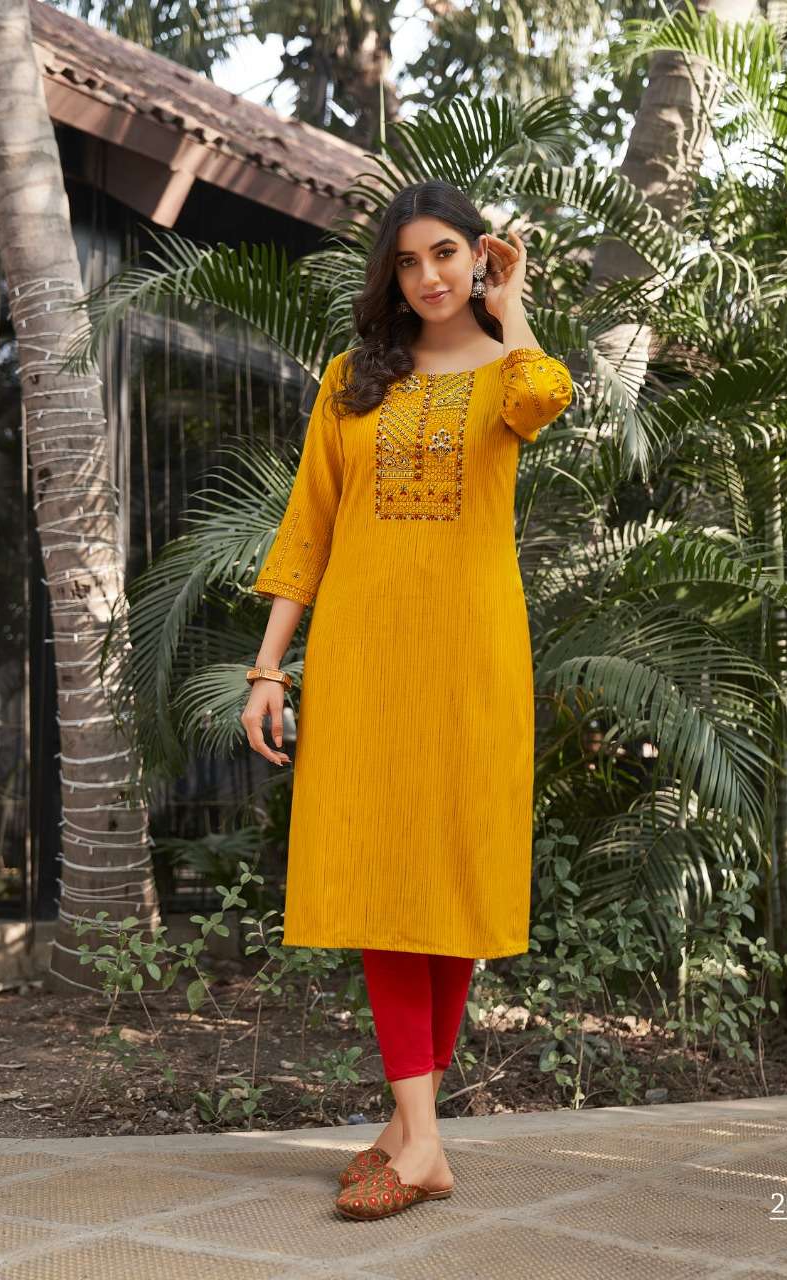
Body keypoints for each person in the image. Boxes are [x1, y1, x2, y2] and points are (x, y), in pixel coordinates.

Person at [241, 179, 573, 1220]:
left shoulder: (510, 373)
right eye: (409, 261)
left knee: (453, 875)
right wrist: (268, 669)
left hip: (473, 656)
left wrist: (510, 305)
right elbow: (310, 525)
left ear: (480, 256)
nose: (429, 276)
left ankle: (410, 1133)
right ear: (389, 275)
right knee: (386, 874)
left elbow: (545, 397)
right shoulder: (353, 379)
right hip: (365, 658)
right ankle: (419, 1135)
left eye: (447, 254)